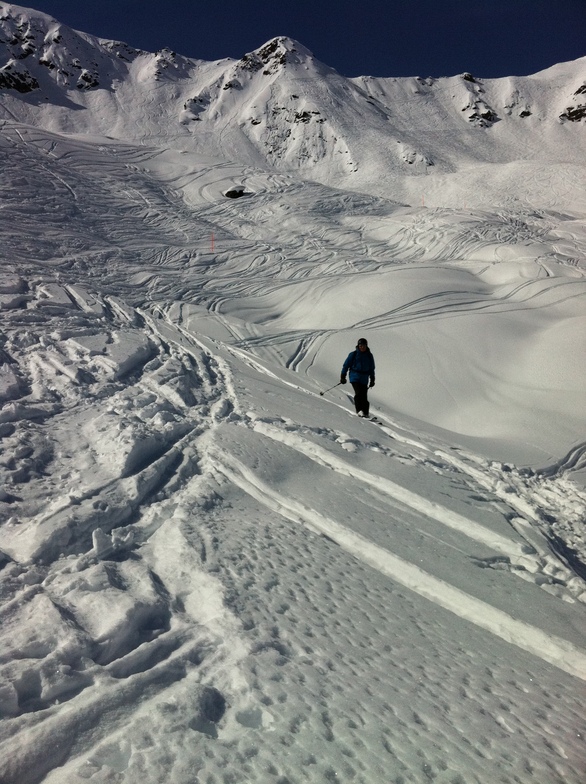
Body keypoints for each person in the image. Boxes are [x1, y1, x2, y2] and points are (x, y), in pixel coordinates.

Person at [340, 337, 375, 417]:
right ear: (358, 346)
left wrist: (372, 379)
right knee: (358, 393)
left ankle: (366, 413)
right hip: (354, 376)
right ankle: (359, 411)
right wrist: (343, 376)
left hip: (364, 378)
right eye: (360, 345)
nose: (362, 347)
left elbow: (371, 368)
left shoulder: (369, 356)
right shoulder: (353, 354)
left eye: (363, 345)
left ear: (366, 346)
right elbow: (346, 365)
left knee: (364, 396)